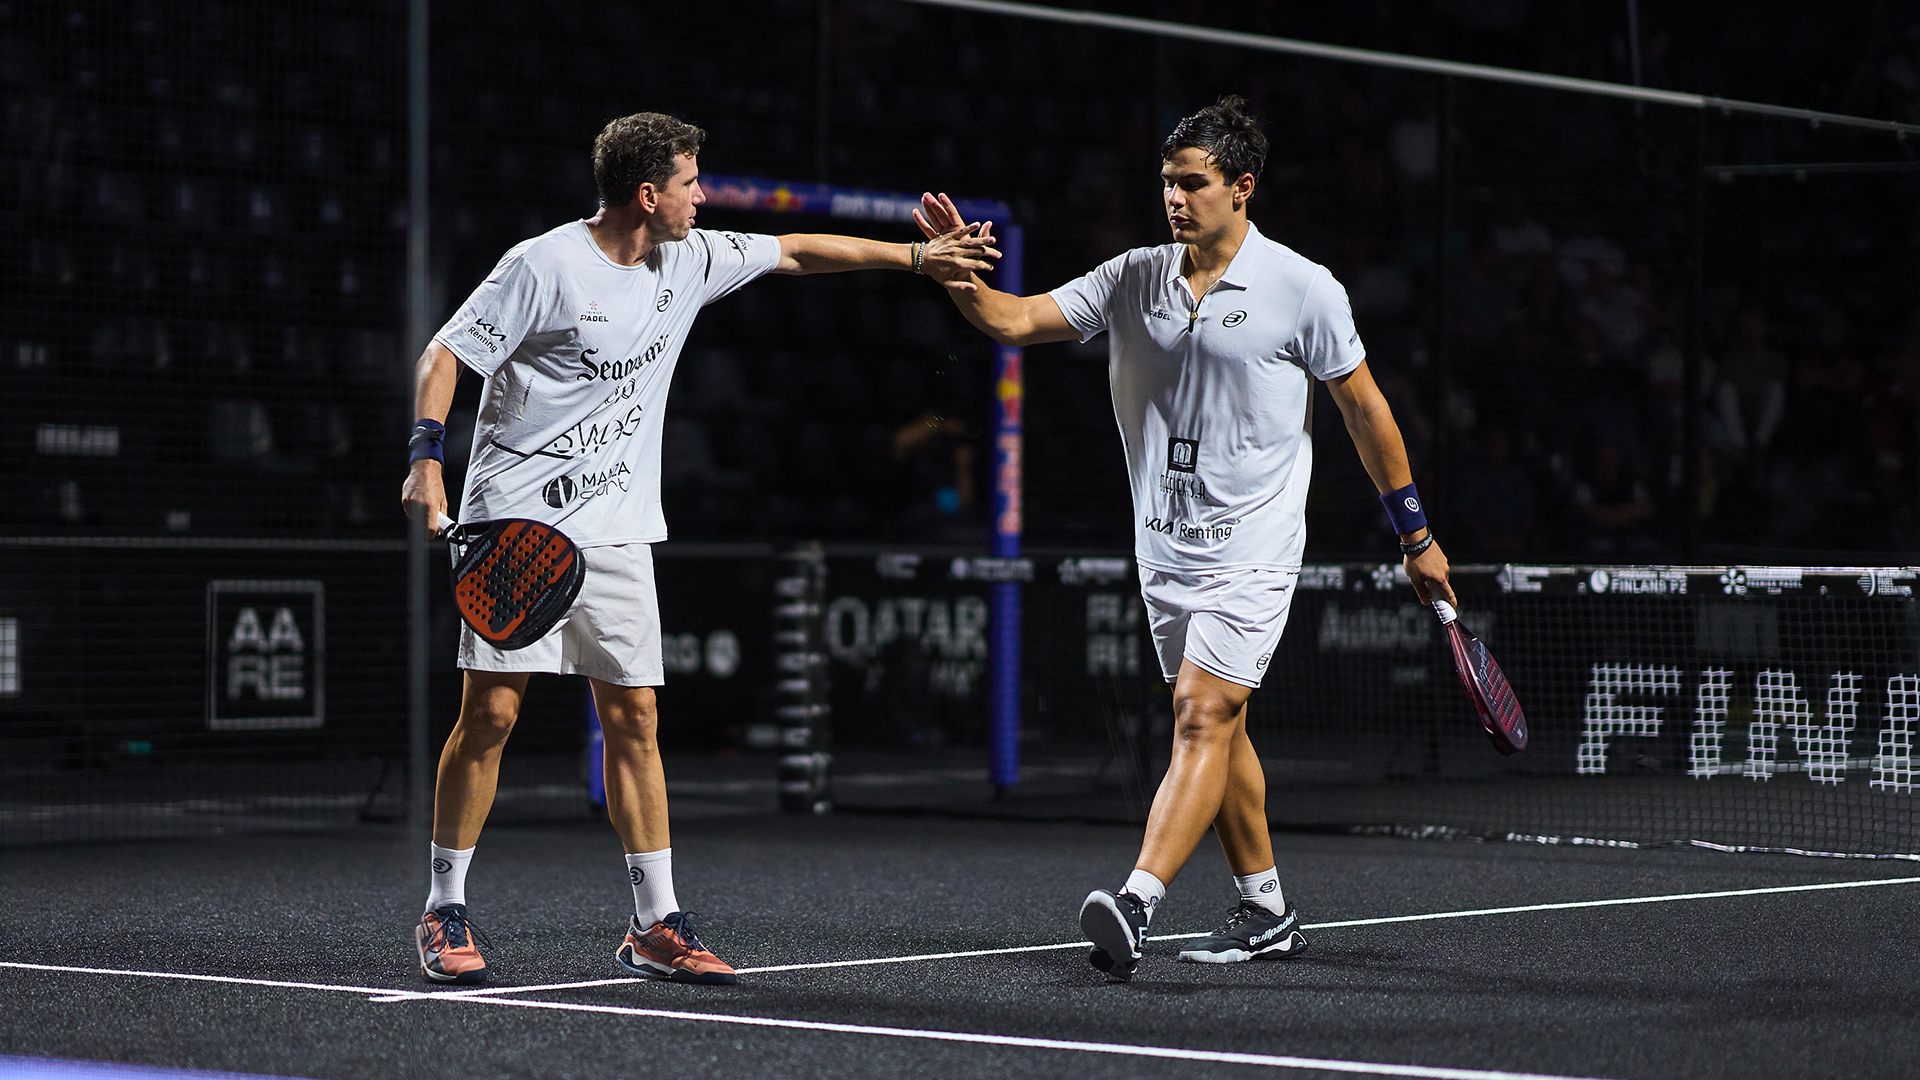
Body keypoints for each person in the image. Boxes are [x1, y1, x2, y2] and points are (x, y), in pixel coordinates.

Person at [398, 112, 993, 986]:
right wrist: (425, 461)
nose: (703, 196)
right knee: (490, 715)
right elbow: (445, 354)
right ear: (648, 195)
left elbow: (798, 252)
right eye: (690, 182)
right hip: (519, 523)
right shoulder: (543, 265)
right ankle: (443, 907)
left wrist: (915, 258)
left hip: (618, 530)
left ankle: (655, 924)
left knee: (635, 720)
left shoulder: (690, 259)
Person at [917, 96, 1454, 980]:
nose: (1174, 197)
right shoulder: (1133, 277)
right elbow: (1014, 321)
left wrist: (1415, 534)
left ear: (1242, 188)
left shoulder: (1303, 287)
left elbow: (1365, 410)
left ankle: (1136, 903)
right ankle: (1267, 909)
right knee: (1223, 731)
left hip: (1255, 548)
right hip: (1164, 552)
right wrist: (952, 274)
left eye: (1193, 183)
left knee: (1201, 715)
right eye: (1167, 182)